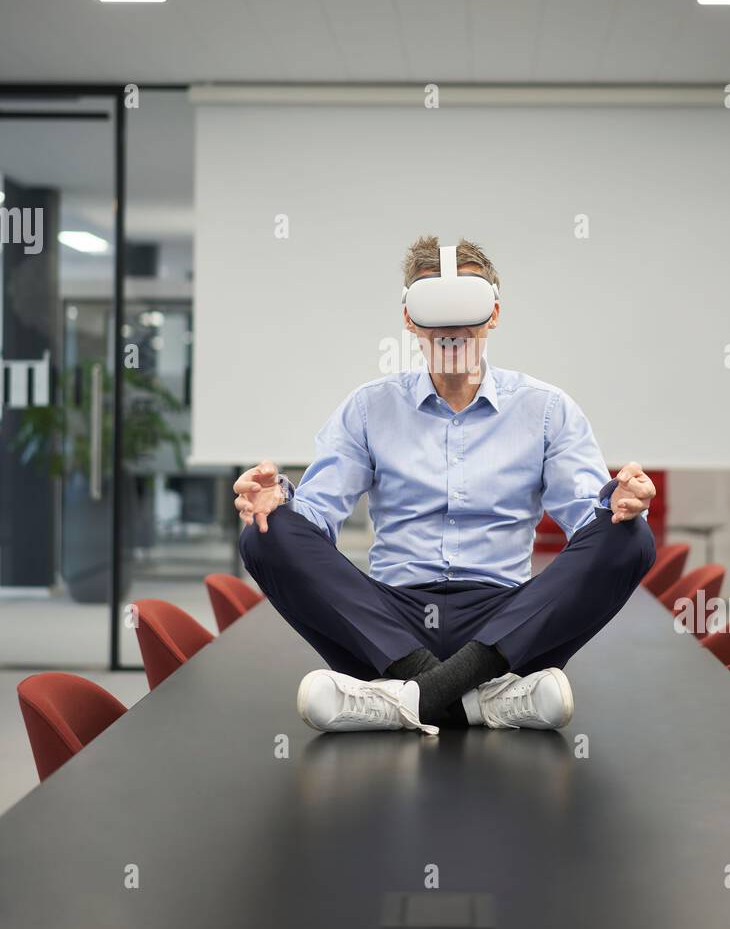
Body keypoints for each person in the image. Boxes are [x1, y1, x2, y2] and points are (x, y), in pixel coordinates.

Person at [235, 234, 656, 736]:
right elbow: (315, 517)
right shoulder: (370, 408)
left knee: (628, 537)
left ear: (494, 313)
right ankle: (485, 700)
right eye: (436, 310)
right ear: (411, 318)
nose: (453, 328)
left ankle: (402, 700)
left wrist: (621, 503)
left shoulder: (546, 410)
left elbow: (589, 518)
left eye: (469, 309)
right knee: (265, 533)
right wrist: (279, 502)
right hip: (389, 620)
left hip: (505, 617)